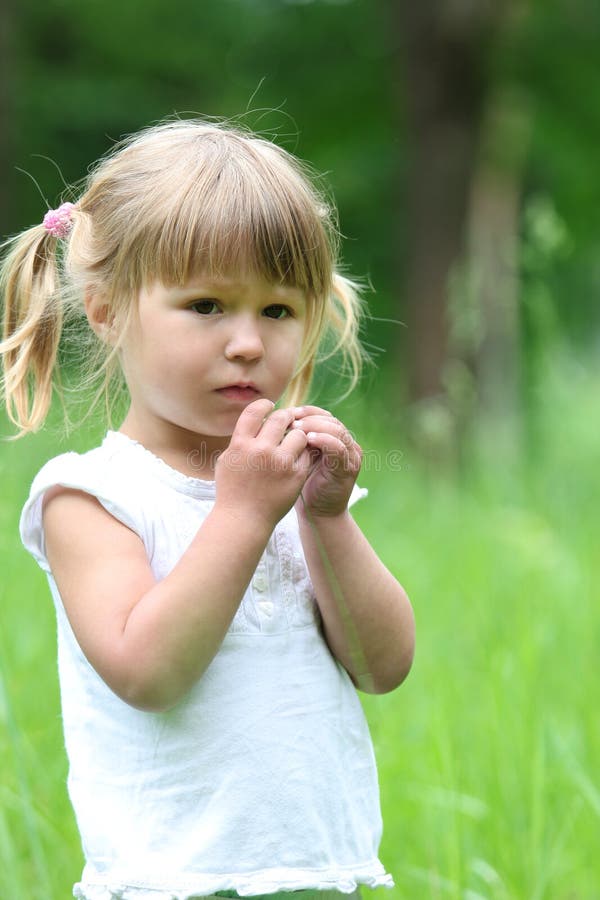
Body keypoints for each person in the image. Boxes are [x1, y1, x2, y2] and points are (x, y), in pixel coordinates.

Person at [0, 118, 415, 900]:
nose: (248, 343)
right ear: (106, 310)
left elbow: (382, 665)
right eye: (205, 306)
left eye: (278, 311)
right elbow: (147, 671)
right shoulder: (91, 496)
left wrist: (326, 518)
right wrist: (246, 514)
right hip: (168, 880)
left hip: (319, 874)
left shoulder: (292, 487)